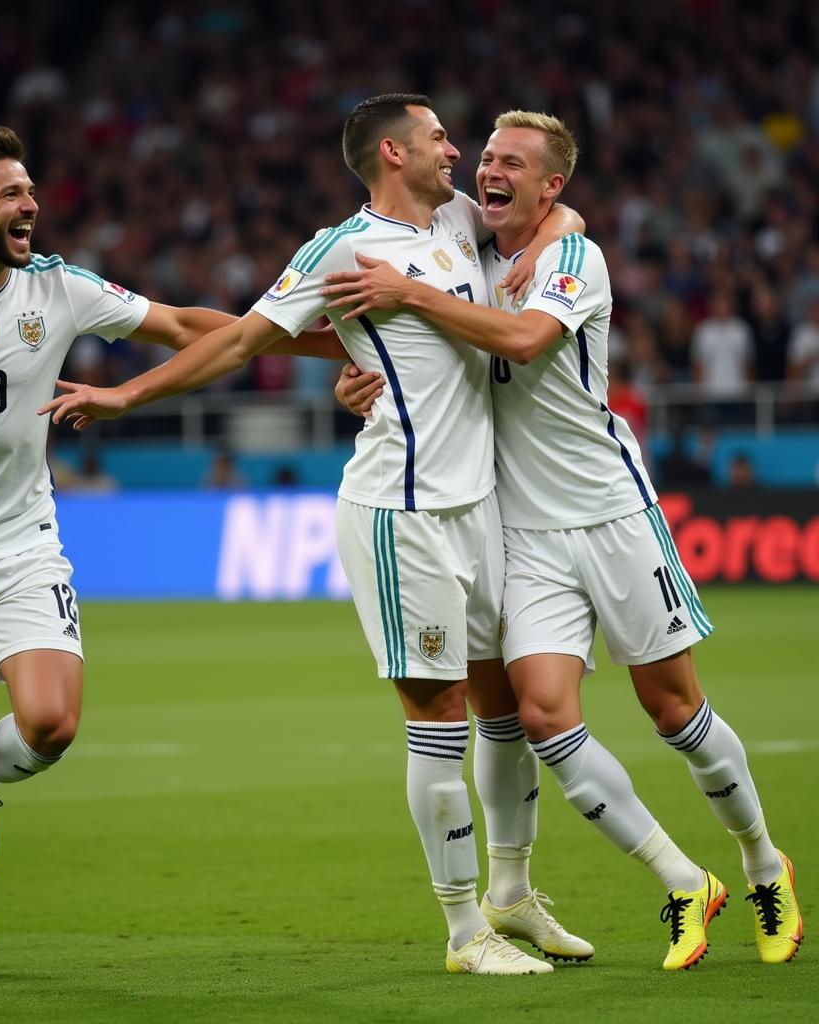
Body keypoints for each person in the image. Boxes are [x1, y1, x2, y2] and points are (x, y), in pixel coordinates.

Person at [40, 94, 592, 976]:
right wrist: (125, 395)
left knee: (505, 715)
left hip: (479, 506)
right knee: (440, 720)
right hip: (399, 514)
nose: (459, 152)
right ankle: (464, 934)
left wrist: (563, 213)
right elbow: (245, 341)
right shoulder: (340, 249)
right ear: (391, 151)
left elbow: (552, 211)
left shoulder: (458, 218)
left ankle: (513, 895)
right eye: (440, 138)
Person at [0, 126, 341, 983]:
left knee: (50, 724)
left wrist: (323, 343)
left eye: (32, 190)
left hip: (24, 540)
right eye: (13, 194)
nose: (32, 206)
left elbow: (186, 324)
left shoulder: (60, 286)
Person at [325, 110, 802, 969]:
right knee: (542, 715)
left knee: (674, 711)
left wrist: (418, 294)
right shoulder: (461, 246)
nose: (488, 171)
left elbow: (524, 336)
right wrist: (360, 375)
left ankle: (764, 861)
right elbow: (406, 336)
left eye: (513, 164)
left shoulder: (575, 257)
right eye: (487, 158)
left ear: (553, 187)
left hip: (612, 514)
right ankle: (682, 884)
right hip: (524, 532)